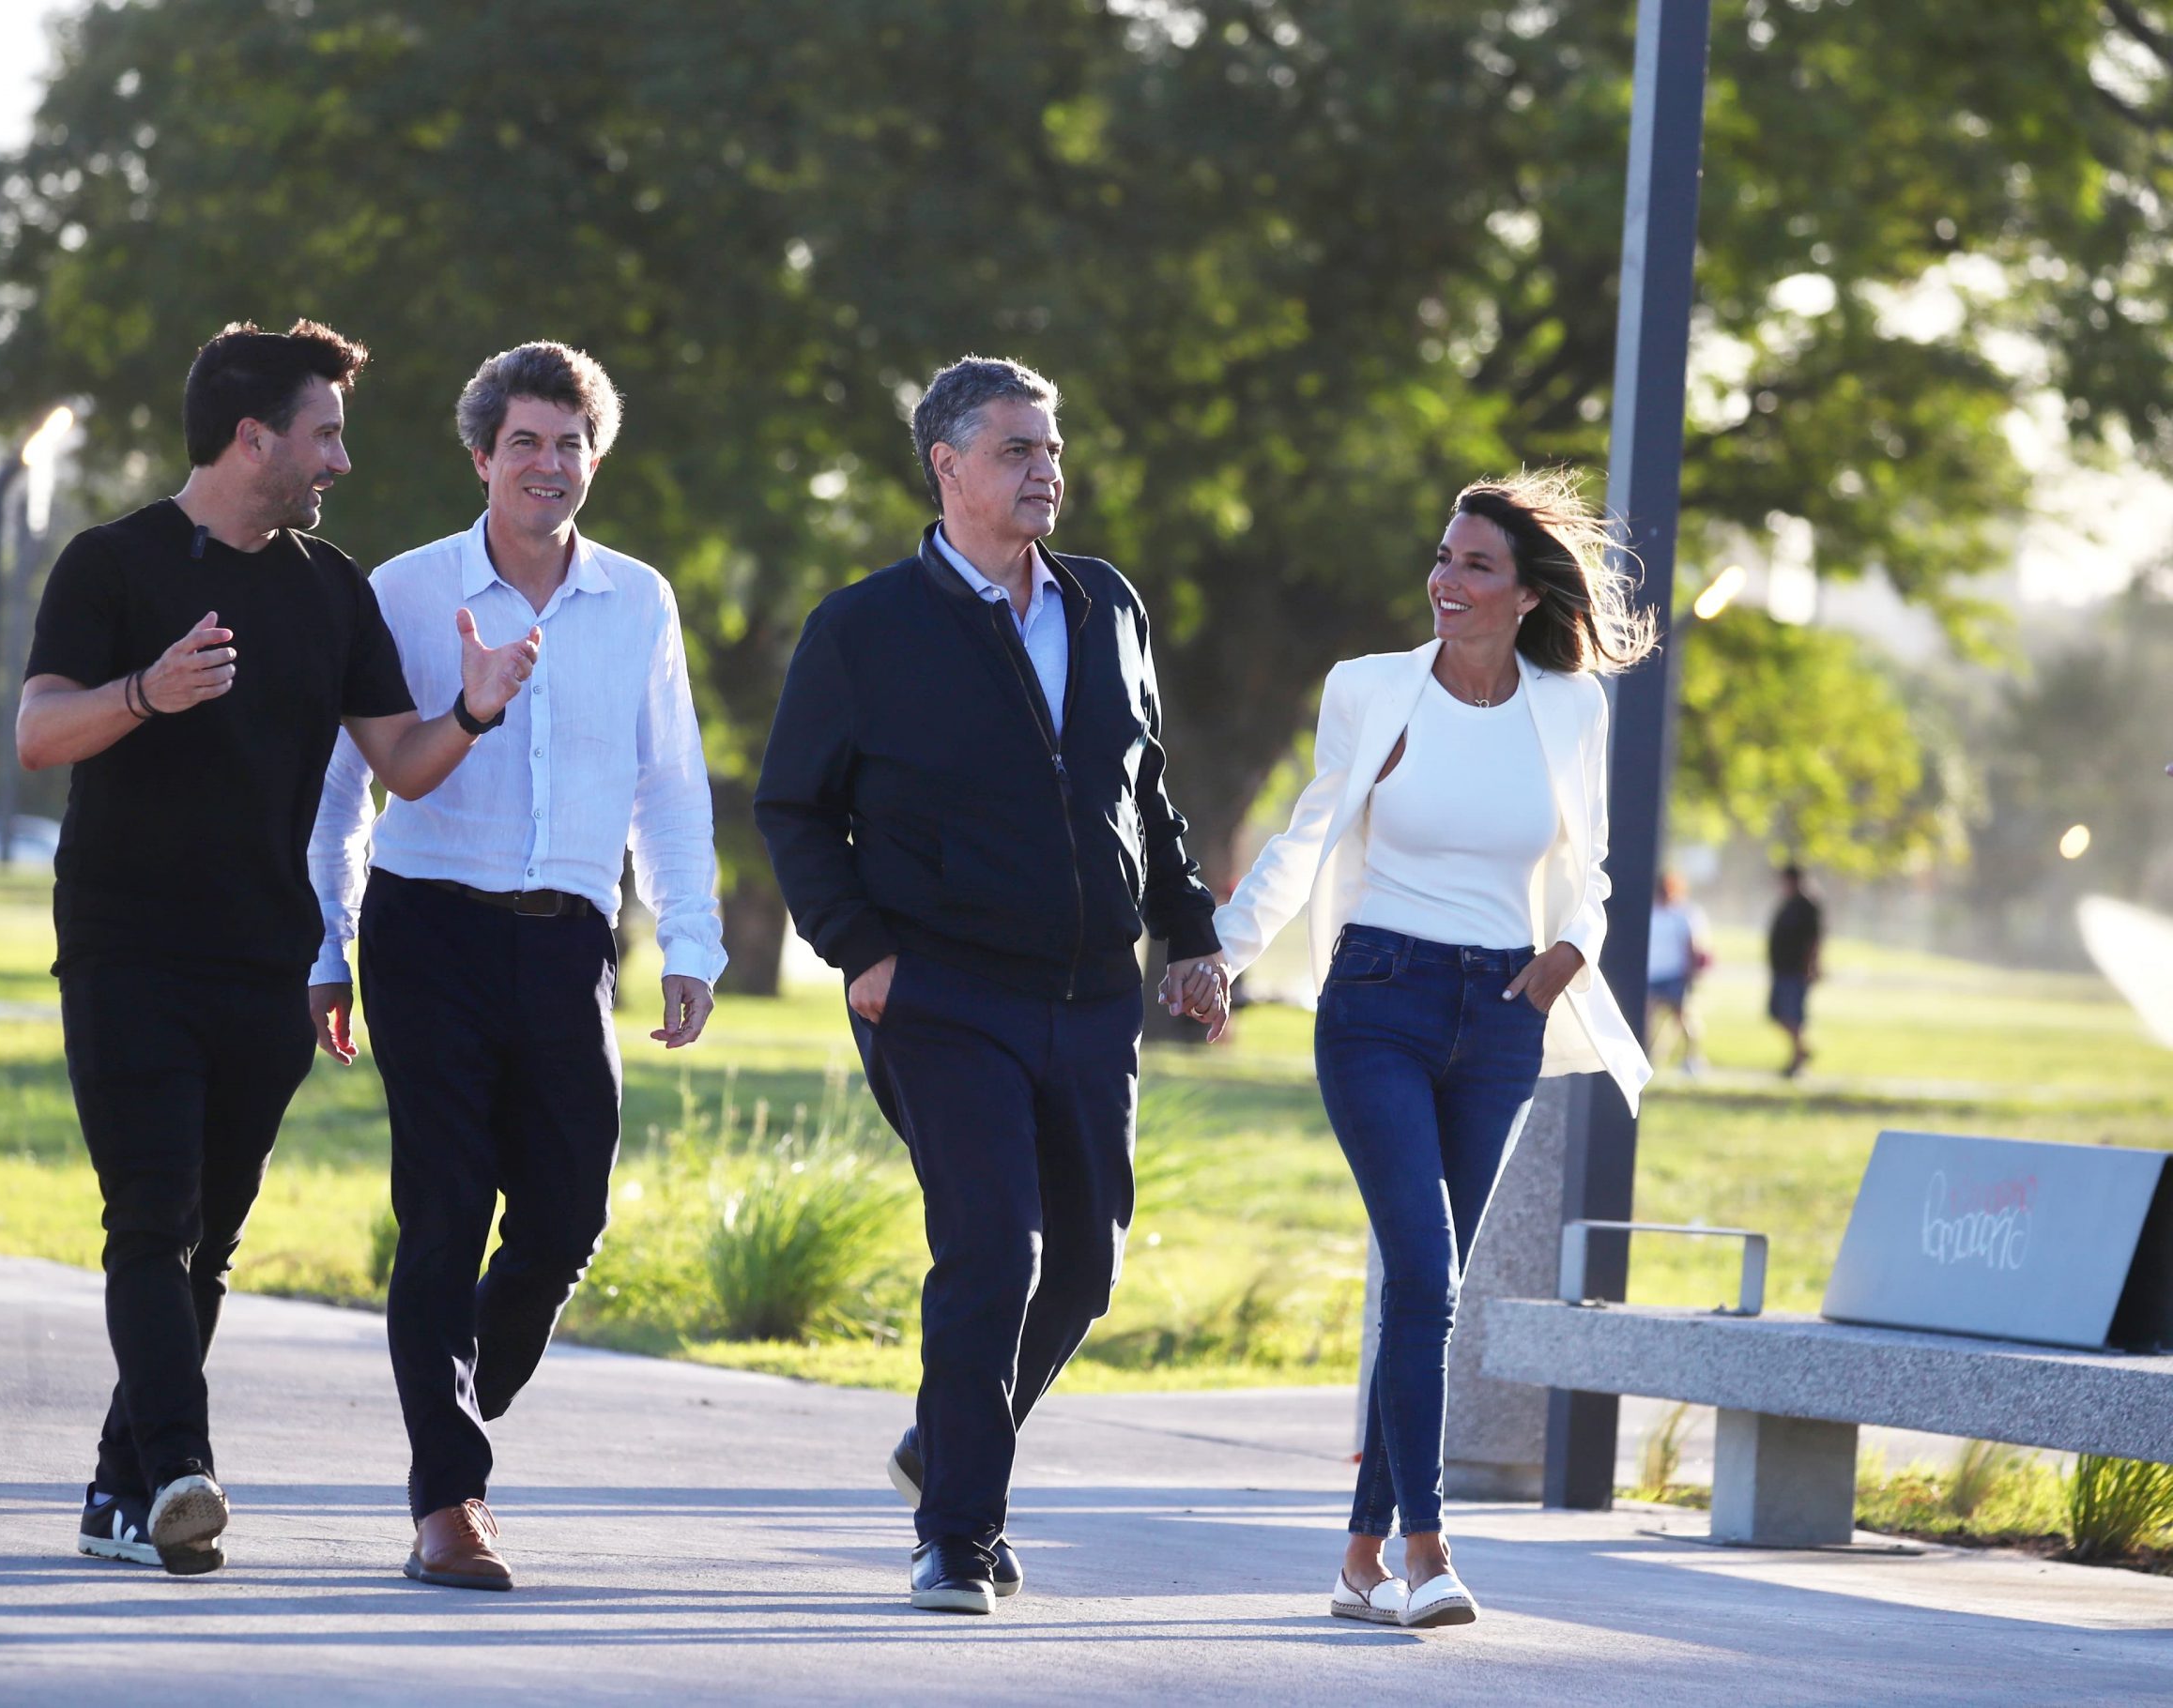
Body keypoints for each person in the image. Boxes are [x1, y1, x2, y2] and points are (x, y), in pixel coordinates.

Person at [18, 320, 540, 1577]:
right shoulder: (112, 563)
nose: (340, 461)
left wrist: (473, 710)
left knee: (207, 1234)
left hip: (264, 959)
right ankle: (180, 1472)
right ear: (252, 438)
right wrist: (145, 693)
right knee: (150, 1214)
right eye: (325, 435)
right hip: (127, 946)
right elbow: (38, 733)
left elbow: (399, 759)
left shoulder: (328, 588)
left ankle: (120, 1490)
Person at [755, 355, 1228, 1615]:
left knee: (1083, 1265)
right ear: (947, 466)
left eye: (1052, 448)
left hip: (1092, 993)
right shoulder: (863, 628)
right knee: (991, 1249)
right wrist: (861, 949)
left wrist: (1190, 934)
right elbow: (793, 808)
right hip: (943, 992)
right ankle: (958, 1535)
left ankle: (951, 1440)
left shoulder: (1106, 604)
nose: (1046, 470)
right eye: (1017, 449)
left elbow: (1145, 790)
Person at [307, 342, 724, 1592]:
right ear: (482, 456)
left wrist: (689, 938)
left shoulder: (638, 600)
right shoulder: (403, 591)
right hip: (427, 929)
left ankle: (446, 1408)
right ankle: (450, 1499)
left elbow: (670, 783)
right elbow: (340, 791)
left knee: (566, 1215)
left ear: (595, 459)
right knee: (445, 1209)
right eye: (526, 442)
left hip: (569, 939)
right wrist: (328, 941)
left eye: (570, 443)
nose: (549, 464)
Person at [1212, 469, 1654, 1630]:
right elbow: (1305, 836)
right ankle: (1427, 1547)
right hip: (1377, 999)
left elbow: (1593, 866)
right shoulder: (1370, 688)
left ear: (1525, 593)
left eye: (1475, 564)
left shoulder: (1570, 707)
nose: (1446, 580)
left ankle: (1358, 1563)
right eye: (1443, 557)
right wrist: (1225, 952)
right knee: (1425, 1272)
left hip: (1502, 1014)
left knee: (1425, 1291)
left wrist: (1568, 951)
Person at [1646, 870, 1711, 1074]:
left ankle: (1692, 1057)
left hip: (1675, 974)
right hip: (1654, 973)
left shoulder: (1683, 914)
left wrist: (1691, 973)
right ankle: (1650, 1056)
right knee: (1648, 1018)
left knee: (1682, 1018)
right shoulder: (1651, 912)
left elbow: (1691, 946)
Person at [1767, 862, 1824, 1077]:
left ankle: (1798, 1057)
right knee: (1777, 1013)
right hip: (1781, 968)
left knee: (1791, 1014)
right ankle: (1801, 1050)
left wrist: (1812, 965)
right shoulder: (1788, 903)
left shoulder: (1807, 905)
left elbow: (1815, 939)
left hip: (1796, 969)